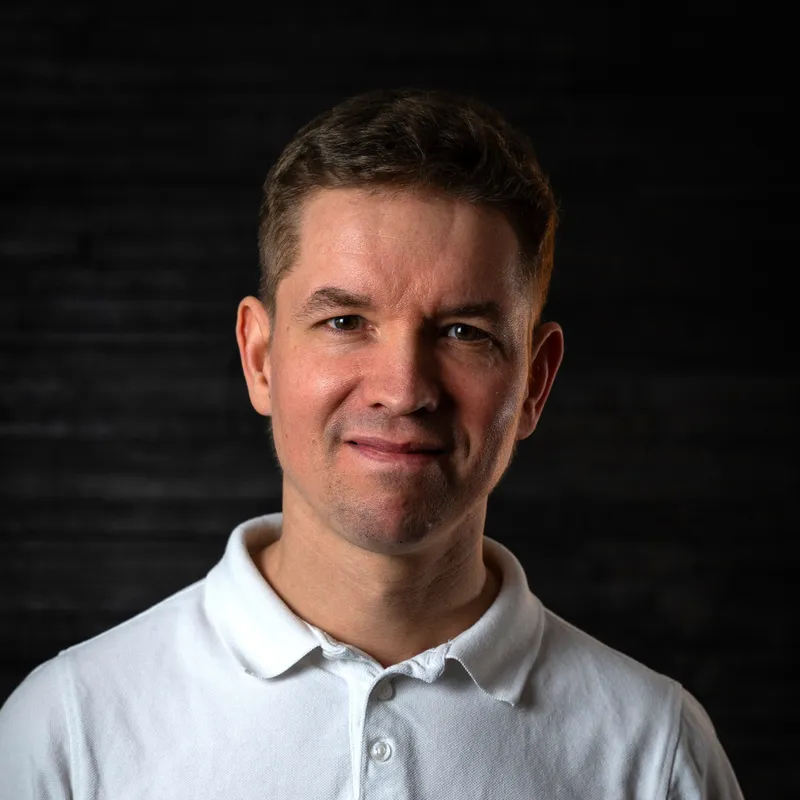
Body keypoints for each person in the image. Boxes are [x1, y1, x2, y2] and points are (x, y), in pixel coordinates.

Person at [0, 87, 744, 799]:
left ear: (535, 383)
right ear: (260, 359)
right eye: (345, 322)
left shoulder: (657, 754)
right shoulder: (67, 730)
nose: (403, 388)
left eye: (463, 332)